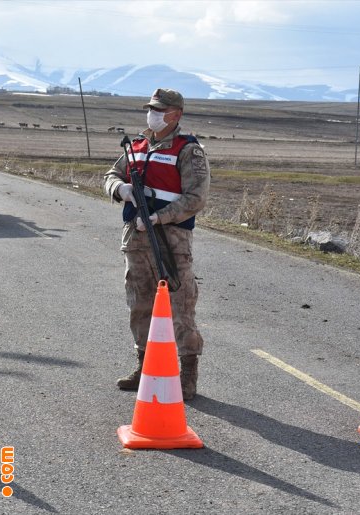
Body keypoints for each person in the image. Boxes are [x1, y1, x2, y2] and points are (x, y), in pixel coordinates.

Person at [103, 88, 210, 401]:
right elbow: (111, 173)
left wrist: (159, 218)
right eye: (151, 108)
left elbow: (196, 199)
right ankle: (144, 366)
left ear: (175, 114)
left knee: (180, 305)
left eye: (160, 109)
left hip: (170, 239)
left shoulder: (188, 150)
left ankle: (187, 373)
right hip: (135, 238)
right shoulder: (137, 144)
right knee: (139, 303)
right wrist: (119, 188)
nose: (153, 114)